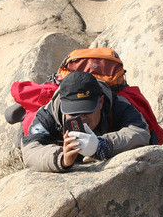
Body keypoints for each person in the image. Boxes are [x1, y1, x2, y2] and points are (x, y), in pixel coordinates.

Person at [20, 68, 150, 171]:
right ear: (62, 104)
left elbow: (140, 132)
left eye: (86, 111)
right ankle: (20, 113)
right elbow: (30, 150)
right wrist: (62, 157)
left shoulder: (117, 104)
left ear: (100, 102)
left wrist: (103, 145)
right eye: (73, 112)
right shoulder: (48, 113)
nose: (81, 119)